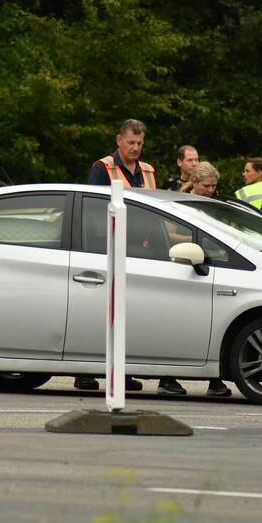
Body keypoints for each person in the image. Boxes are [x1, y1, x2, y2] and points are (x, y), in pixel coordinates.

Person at [78, 119, 154, 393]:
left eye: (139, 143)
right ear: (119, 140)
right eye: (131, 142)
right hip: (108, 246)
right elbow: (93, 209)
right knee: (100, 311)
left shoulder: (147, 171)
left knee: (128, 314)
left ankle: (120, 370)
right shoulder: (103, 168)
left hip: (139, 250)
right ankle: (84, 371)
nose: (135, 148)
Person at [182, 162, 232, 398]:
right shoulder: (180, 203)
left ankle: (215, 380)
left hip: (210, 264)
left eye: (213, 186)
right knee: (184, 323)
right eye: (206, 186)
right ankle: (168, 378)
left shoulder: (214, 205)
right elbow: (170, 232)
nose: (211, 190)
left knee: (214, 325)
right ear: (194, 182)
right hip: (184, 265)